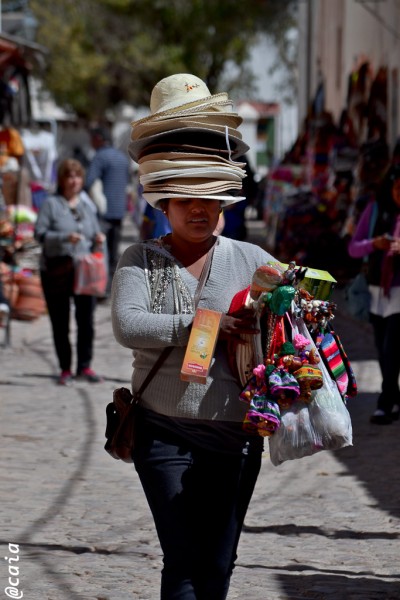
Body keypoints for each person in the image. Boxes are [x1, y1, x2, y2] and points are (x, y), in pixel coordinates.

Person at [111, 73, 277, 600]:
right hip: (164, 433)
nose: (199, 209)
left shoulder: (252, 261)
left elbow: (296, 320)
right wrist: (204, 326)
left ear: (225, 200)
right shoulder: (140, 260)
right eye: (185, 200)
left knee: (220, 561)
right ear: (162, 203)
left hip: (236, 438)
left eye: (210, 198)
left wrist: (280, 310)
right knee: (183, 560)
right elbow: (128, 325)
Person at [35, 158, 105, 386]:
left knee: (86, 320)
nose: (74, 181)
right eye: (69, 176)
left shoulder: (86, 206)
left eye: (77, 176)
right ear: (62, 180)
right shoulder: (51, 204)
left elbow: (95, 235)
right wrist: (63, 238)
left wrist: (98, 239)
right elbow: (40, 235)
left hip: (84, 272)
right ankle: (65, 368)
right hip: (57, 271)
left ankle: (84, 365)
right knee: (60, 321)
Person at [348, 165, 400, 424]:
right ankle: (395, 396)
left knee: (391, 348)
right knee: (382, 348)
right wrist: (374, 244)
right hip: (376, 290)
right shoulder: (376, 210)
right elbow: (353, 248)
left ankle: (385, 403)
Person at [86, 127, 131, 293]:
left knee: (100, 252)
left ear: (98, 138)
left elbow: (88, 181)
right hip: (119, 212)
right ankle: (114, 289)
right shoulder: (122, 158)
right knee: (114, 253)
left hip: (103, 213)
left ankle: (101, 288)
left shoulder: (99, 157)